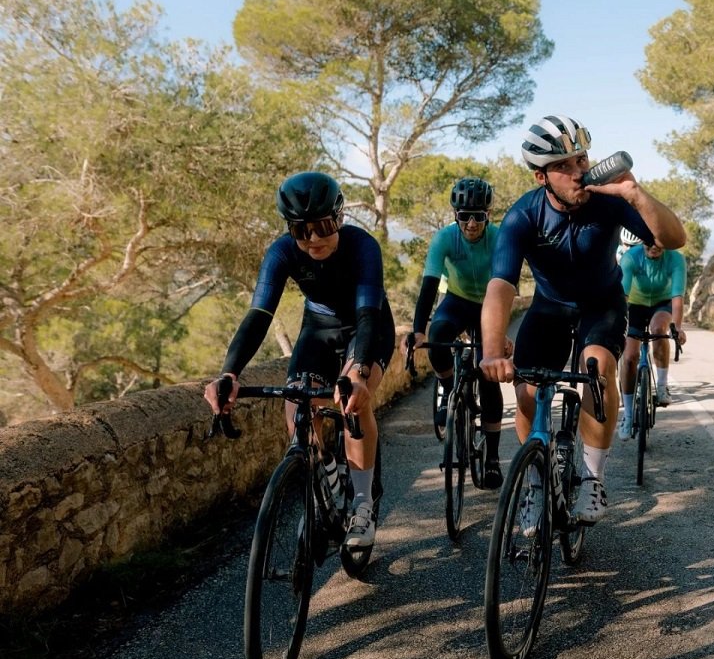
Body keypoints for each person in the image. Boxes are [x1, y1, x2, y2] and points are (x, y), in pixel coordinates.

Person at [479, 114, 686, 526]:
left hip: (602, 303)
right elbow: (500, 285)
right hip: (550, 307)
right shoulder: (524, 215)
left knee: (597, 367)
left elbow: (674, 239)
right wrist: (491, 349)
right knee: (526, 388)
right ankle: (535, 480)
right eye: (564, 165)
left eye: (582, 159)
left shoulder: (608, 201)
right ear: (541, 177)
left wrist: (635, 193)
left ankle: (593, 479)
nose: (579, 171)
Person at [203, 171, 395, 550]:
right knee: (296, 411)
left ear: (339, 218)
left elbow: (368, 316)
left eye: (322, 227)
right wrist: (230, 373)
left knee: (353, 403)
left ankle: (362, 504)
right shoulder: (282, 252)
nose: (313, 239)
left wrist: (359, 372)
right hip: (318, 327)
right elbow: (259, 314)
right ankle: (327, 475)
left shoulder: (362, 246)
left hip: (366, 323)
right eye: (300, 230)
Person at [404, 177, 506, 489]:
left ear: (489, 215)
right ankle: (449, 391)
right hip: (457, 301)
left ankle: (492, 458)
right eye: (464, 216)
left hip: (489, 302)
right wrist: (418, 331)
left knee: (488, 374)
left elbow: (506, 285)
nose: (471, 224)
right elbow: (429, 286)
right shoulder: (444, 238)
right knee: (437, 337)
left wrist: (500, 333)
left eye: (479, 216)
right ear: (455, 215)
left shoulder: (500, 238)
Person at [616, 228, 688, 441]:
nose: (654, 246)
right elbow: (623, 297)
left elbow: (677, 298)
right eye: (649, 242)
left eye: (659, 242)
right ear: (642, 242)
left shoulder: (676, 259)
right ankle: (628, 415)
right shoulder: (631, 257)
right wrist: (617, 325)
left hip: (662, 304)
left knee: (658, 330)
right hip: (635, 305)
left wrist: (677, 327)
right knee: (629, 356)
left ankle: (662, 386)